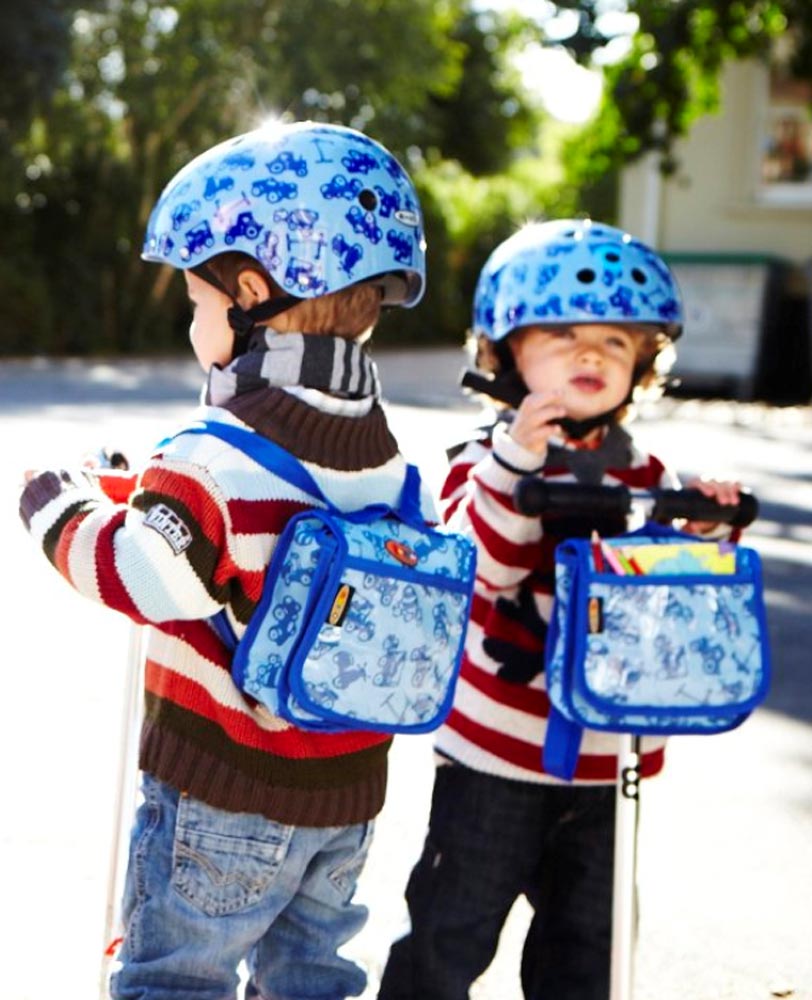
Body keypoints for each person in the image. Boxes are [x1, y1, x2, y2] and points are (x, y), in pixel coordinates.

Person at [19, 121, 431, 1000]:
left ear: (252, 291)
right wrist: (150, 495)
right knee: (310, 982)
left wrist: (56, 509)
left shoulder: (209, 453)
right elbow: (261, 535)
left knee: (178, 982)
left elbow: (143, 574)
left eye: (199, 300)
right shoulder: (386, 459)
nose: (191, 318)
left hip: (226, 793)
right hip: (348, 798)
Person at [377, 219, 741, 1000]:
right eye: (563, 333)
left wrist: (699, 527)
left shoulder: (646, 470)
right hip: (495, 756)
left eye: (615, 341)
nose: (589, 353)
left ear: (644, 362)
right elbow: (485, 565)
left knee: (589, 950)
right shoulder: (483, 459)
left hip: (610, 758)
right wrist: (518, 460)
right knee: (447, 934)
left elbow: (666, 599)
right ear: (505, 353)